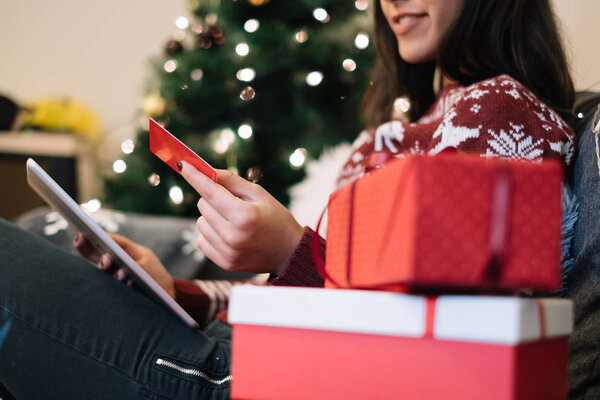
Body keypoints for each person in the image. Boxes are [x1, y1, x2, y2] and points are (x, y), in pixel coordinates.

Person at [0, 0, 576, 398]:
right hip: (243, 350)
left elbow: (435, 352)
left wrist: (287, 251)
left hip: (260, 379)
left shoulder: (499, 112)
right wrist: (179, 292)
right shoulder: (394, 133)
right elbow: (331, 292)